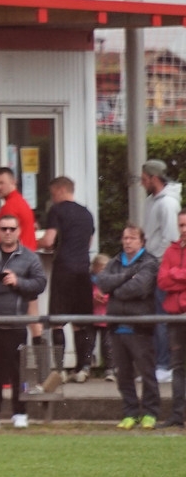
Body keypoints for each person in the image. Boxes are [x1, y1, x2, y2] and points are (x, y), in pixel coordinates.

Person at [0, 214, 47, 429]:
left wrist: (17, 281)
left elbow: (40, 284)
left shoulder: (30, 257)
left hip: (16, 324)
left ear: (19, 231)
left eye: (12, 228)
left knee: (18, 373)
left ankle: (20, 413)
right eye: (3, 228)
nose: (8, 232)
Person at [96, 224, 160, 430]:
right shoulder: (115, 261)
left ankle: (150, 412)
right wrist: (126, 276)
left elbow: (139, 287)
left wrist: (115, 290)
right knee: (123, 375)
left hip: (140, 327)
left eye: (132, 238)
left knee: (147, 372)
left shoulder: (149, 262)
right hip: (116, 326)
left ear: (142, 241)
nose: (127, 242)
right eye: (125, 238)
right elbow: (102, 282)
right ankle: (130, 413)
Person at [37, 175, 95, 384]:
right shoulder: (87, 213)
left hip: (64, 268)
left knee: (57, 321)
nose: (52, 198)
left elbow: (49, 240)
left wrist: (35, 241)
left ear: (61, 190)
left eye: (53, 194)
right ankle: (83, 368)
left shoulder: (57, 210)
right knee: (81, 322)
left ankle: (60, 370)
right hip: (83, 269)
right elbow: (89, 243)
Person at [0, 166, 46, 370]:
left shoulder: (9, 208)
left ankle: (12, 373)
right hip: (28, 267)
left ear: (13, 183)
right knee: (33, 320)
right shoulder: (22, 203)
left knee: (12, 325)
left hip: (16, 269)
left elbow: (2, 243)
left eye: (1, 183)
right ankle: (41, 370)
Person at [141, 159, 181, 383]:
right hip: (151, 265)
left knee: (161, 316)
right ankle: (159, 364)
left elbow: (170, 238)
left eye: (144, 179)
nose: (141, 183)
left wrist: (160, 268)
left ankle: (164, 365)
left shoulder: (167, 204)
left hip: (159, 268)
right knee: (155, 316)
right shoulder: (152, 201)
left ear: (154, 178)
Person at [157, 209, 186, 429]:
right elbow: (162, 281)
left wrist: (174, 273)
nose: (184, 229)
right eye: (181, 225)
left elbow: (169, 277)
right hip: (175, 317)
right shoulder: (170, 250)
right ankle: (177, 414)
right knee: (178, 367)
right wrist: (180, 275)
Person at [88, 253, 116, 382]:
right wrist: (93, 299)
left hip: (106, 318)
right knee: (89, 343)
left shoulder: (112, 281)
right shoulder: (90, 282)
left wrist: (105, 298)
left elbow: (114, 295)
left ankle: (110, 369)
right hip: (92, 317)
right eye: (101, 269)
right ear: (95, 268)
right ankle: (86, 366)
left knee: (108, 344)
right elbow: (86, 296)